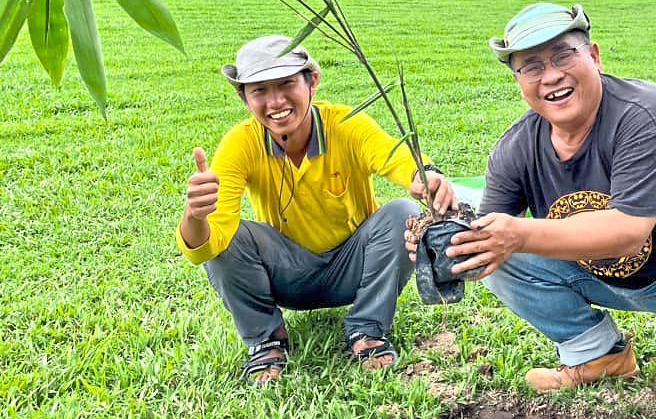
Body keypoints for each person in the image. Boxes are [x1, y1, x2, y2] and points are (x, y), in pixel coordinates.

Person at [409, 3, 656, 419]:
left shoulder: (646, 116)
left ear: (594, 56)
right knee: (497, 244)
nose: (550, 76)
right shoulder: (516, 147)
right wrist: (441, 242)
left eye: (562, 56)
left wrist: (515, 234)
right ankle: (599, 355)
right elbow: (489, 235)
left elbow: (628, 233)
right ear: (518, 82)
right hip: (591, 272)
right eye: (531, 66)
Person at [180, 35, 456, 385]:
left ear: (312, 81)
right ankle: (266, 339)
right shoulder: (241, 143)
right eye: (259, 90)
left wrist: (424, 174)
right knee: (231, 239)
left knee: (402, 212)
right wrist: (196, 216)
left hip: (354, 266)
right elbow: (207, 246)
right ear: (244, 98)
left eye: (286, 84)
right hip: (288, 272)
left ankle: (367, 329)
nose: (275, 101)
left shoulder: (345, 123)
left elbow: (392, 154)